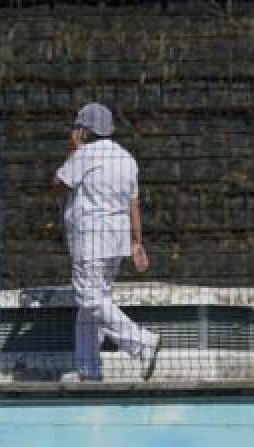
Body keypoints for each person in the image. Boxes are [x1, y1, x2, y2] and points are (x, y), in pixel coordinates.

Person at [54, 103, 161, 382]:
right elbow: (133, 203)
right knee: (93, 303)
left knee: (89, 300)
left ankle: (142, 343)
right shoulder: (127, 158)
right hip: (116, 240)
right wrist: (137, 241)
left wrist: (74, 149)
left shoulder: (85, 154)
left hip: (90, 238)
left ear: (85, 131)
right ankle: (89, 370)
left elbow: (58, 184)